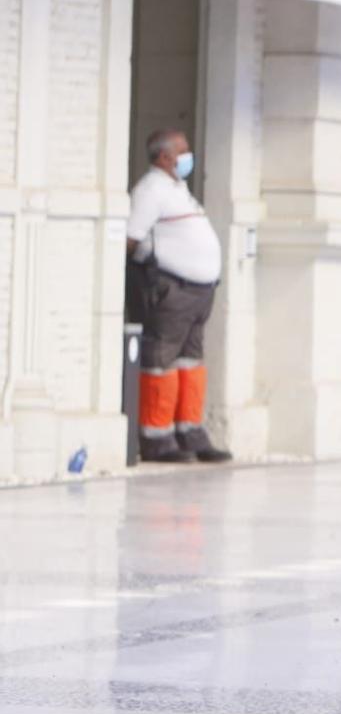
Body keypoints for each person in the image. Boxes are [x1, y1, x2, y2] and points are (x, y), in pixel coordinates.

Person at [126, 129, 232, 463]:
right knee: (161, 359)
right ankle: (156, 437)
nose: (188, 157)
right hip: (172, 288)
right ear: (163, 157)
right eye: (181, 152)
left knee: (191, 361)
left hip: (199, 292)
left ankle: (190, 432)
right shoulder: (150, 190)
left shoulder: (178, 189)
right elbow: (131, 239)